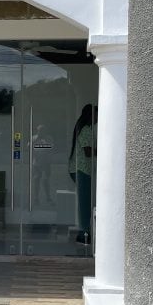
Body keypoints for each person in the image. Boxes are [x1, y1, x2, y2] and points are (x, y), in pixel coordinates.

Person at [68, 103, 97, 245]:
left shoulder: (84, 128)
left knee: (84, 202)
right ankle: (84, 233)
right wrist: (102, 150)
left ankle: (84, 231)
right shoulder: (85, 129)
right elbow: (87, 151)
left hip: (79, 169)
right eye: (96, 114)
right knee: (85, 203)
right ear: (90, 115)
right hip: (81, 169)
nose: (98, 117)